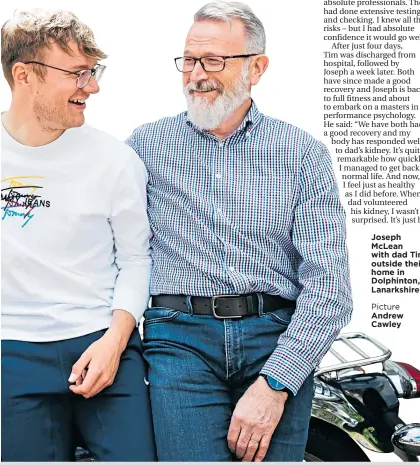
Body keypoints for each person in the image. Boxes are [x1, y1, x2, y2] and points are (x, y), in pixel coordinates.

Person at [126, 1, 353, 462]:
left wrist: (276, 384)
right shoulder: (144, 147)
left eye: (214, 60)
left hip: (274, 337)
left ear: (258, 67)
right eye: (189, 60)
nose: (197, 74)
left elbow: (330, 286)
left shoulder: (301, 152)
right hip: (179, 339)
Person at [1, 10, 156, 462]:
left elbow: (136, 260)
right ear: (24, 75)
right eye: (77, 73)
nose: (92, 86)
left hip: (104, 342)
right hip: (11, 353)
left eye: (93, 71)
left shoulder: (115, 160)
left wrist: (115, 342)